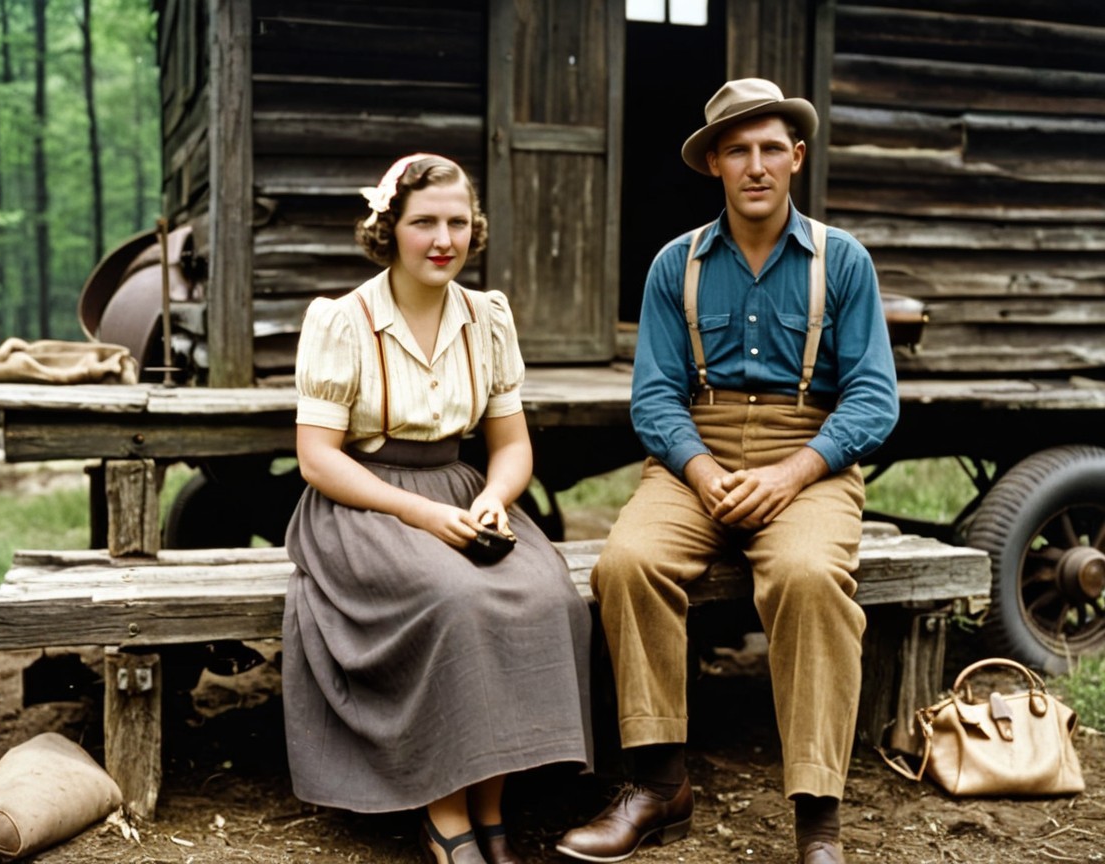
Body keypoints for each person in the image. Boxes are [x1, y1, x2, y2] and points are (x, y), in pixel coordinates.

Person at [555, 79, 899, 864]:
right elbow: (654, 395)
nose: (756, 165)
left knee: (809, 577)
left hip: (807, 452)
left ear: (797, 158)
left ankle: (818, 823)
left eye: (771, 148)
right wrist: (702, 471)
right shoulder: (675, 264)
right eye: (737, 150)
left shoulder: (842, 262)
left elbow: (874, 399)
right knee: (628, 563)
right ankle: (658, 786)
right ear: (714, 163)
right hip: (696, 453)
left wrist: (792, 473)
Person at [282, 153, 594, 864]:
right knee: (456, 599)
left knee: (549, 596)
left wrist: (493, 498)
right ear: (389, 228)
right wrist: (420, 516)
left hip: (458, 491)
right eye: (424, 222)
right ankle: (445, 813)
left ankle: (492, 805)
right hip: (363, 503)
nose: (443, 240)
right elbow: (318, 459)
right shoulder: (344, 321)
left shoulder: (487, 317)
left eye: (457, 222)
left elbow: (511, 445)